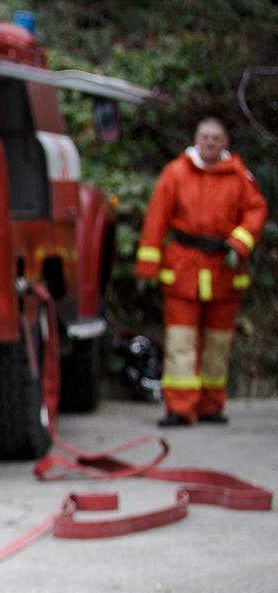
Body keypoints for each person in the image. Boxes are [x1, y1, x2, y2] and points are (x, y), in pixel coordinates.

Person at [135, 115, 267, 427]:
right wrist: (147, 267)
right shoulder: (176, 173)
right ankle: (179, 408)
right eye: (204, 136)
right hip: (183, 268)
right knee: (180, 340)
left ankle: (210, 405)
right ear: (196, 137)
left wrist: (239, 243)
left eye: (215, 138)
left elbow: (256, 211)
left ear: (225, 142)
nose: (209, 142)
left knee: (218, 342)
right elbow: (156, 219)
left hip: (224, 269)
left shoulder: (238, 177)